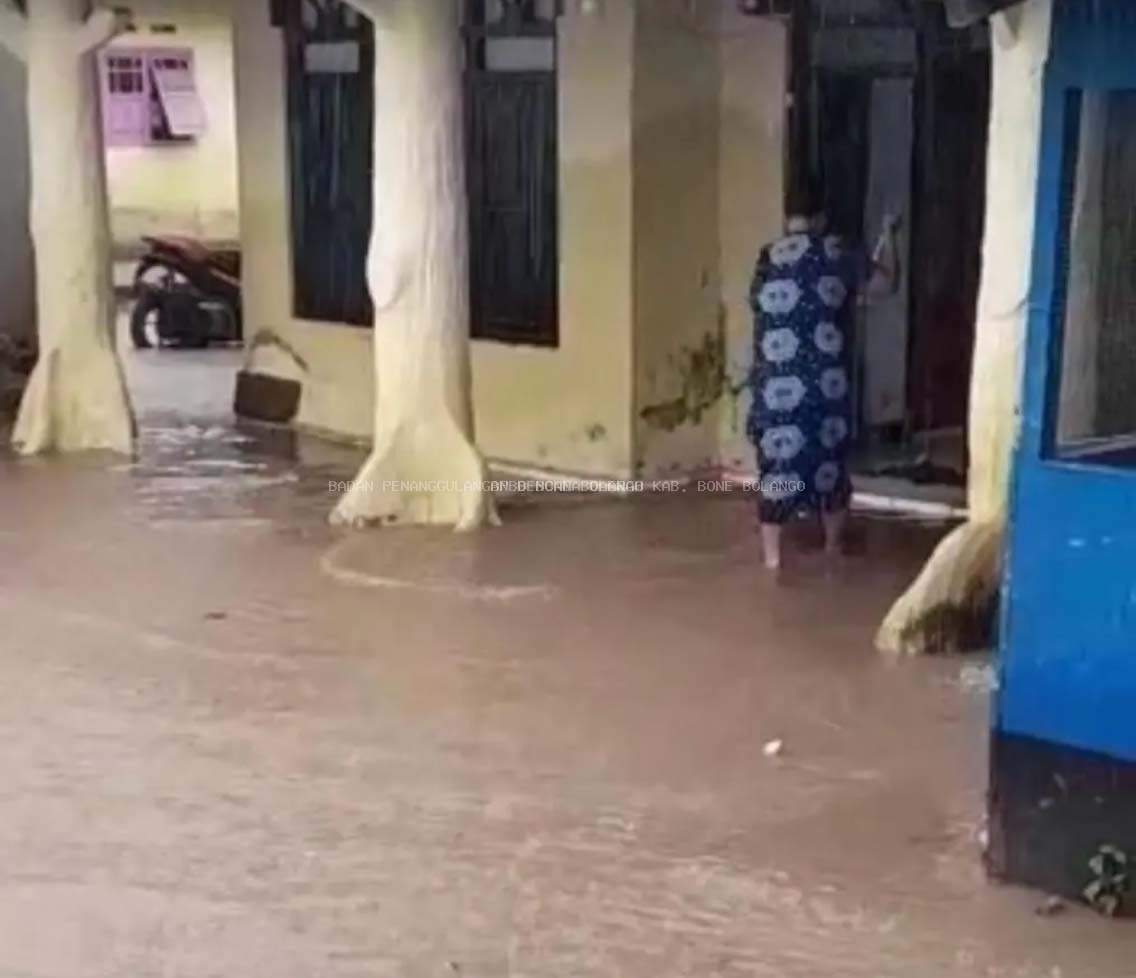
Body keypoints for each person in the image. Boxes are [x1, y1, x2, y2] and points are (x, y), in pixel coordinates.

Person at [746, 178, 899, 572]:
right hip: (822, 383)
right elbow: (883, 286)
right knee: (829, 463)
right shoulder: (837, 252)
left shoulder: (768, 257)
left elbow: (757, 305)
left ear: (787, 216)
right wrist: (888, 236)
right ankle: (831, 547)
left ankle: (772, 560)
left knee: (777, 466)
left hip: (773, 384)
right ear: (822, 217)